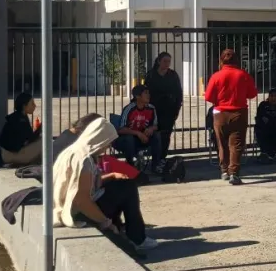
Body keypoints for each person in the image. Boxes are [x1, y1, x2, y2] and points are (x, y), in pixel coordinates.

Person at [52, 116, 158, 251]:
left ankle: (132, 233)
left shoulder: (74, 150)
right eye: (107, 143)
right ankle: (137, 238)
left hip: (69, 205)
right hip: (77, 212)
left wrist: (111, 176)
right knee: (128, 188)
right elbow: (81, 200)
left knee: (122, 184)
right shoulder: (83, 159)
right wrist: (106, 222)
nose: (108, 147)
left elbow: (83, 184)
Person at [204, 48, 258, 185]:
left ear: (221, 60)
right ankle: (234, 172)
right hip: (239, 112)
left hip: (220, 112)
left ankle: (224, 170)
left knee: (221, 143)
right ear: (237, 60)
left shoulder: (216, 76)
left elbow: (209, 96)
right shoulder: (243, 75)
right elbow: (252, 94)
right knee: (236, 144)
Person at [115, 85, 164, 174]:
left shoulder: (151, 108)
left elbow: (156, 126)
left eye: (148, 93)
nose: (148, 95)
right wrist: (138, 133)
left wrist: (151, 128)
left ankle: (156, 165)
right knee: (129, 138)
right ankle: (130, 165)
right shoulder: (129, 109)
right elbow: (121, 129)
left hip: (143, 138)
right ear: (137, 96)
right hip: (127, 140)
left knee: (157, 135)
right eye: (145, 93)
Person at [144, 52, 184, 160]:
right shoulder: (151, 75)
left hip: (169, 110)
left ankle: (162, 157)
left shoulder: (173, 75)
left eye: (169, 61)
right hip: (154, 109)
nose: (167, 64)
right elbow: (146, 91)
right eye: (164, 61)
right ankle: (154, 157)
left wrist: (177, 108)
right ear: (159, 61)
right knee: (154, 134)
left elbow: (179, 93)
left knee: (166, 135)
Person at [0, 93, 42, 166]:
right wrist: (41, 128)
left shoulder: (18, 116)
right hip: (10, 155)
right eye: (32, 104)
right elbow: (29, 139)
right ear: (24, 106)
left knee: (40, 140)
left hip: (8, 154)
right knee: (43, 142)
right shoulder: (20, 120)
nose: (35, 106)